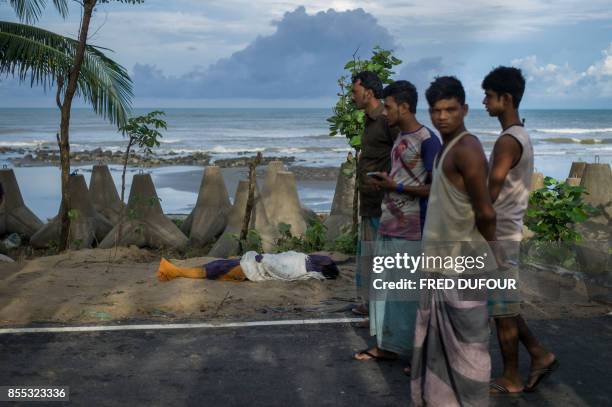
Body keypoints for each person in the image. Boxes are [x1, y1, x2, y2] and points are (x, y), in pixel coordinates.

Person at [410, 76, 496, 407]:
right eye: (436, 110)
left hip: (465, 263)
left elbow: (486, 211)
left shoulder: (467, 148)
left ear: (464, 109)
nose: (442, 116)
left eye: (450, 109)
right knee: (442, 347)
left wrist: (493, 254)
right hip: (440, 263)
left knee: (470, 347)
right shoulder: (445, 147)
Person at [483, 66, 558, 395]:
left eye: (489, 96)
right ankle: (540, 354)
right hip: (505, 231)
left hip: (499, 235)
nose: (484, 102)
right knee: (503, 303)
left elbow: (490, 195)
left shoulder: (508, 142)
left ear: (506, 98)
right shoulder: (518, 136)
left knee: (502, 310)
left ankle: (511, 377)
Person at [354, 80, 441, 362]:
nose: (386, 111)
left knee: (406, 295)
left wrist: (397, 188)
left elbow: (438, 188)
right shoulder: (401, 138)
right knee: (384, 290)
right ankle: (387, 346)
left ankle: (416, 354)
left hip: (412, 229)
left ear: (404, 107)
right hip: (390, 222)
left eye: (389, 106)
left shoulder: (428, 141)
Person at [351, 71, 398, 318]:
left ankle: (382, 310)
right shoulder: (370, 119)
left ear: (368, 92)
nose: (352, 97)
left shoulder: (386, 119)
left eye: (355, 91)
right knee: (369, 255)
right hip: (369, 202)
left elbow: (401, 154)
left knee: (382, 258)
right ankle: (370, 306)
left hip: (384, 203)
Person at [157, 251, 340, 282]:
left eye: (324, 258)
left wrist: (264, 260)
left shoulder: (301, 268)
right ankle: (174, 271)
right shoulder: (304, 260)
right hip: (255, 263)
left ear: (321, 264)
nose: (323, 256)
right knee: (217, 264)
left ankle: (174, 272)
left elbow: (283, 271)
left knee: (215, 269)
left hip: (255, 268)